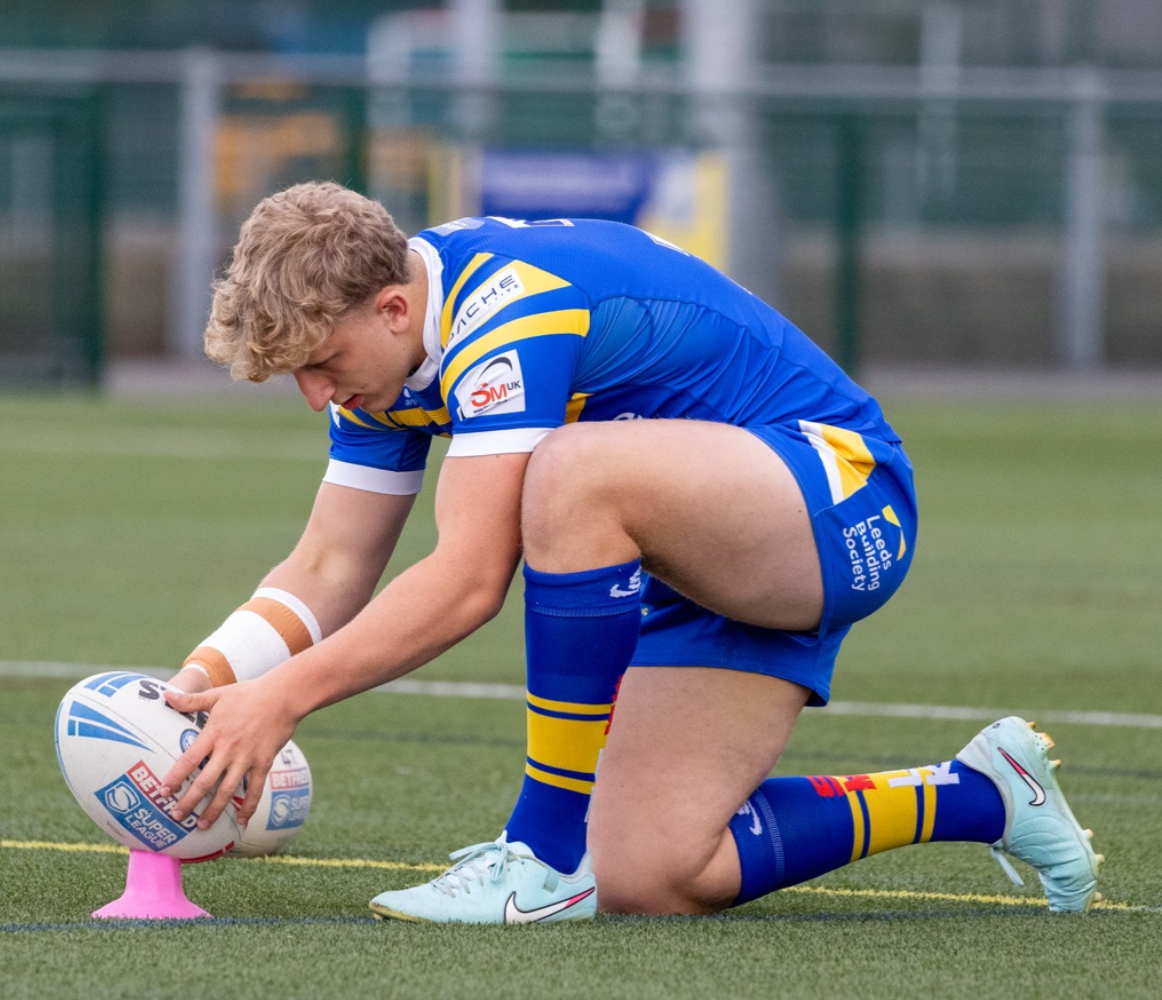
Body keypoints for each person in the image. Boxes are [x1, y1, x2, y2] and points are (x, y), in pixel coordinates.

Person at [156, 182, 1100, 923]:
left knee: (569, 474)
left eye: (320, 365)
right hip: (693, 548)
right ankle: (979, 793)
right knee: (655, 872)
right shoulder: (381, 371)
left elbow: (471, 580)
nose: (317, 398)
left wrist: (281, 698)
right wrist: (198, 690)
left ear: (394, 310)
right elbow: (328, 567)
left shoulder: (507, 314)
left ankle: (539, 858)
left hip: (836, 501)